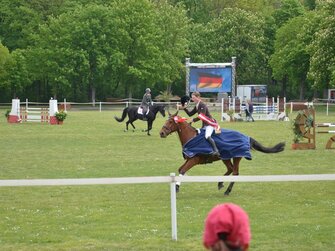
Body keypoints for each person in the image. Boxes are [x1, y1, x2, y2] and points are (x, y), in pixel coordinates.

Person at [179, 92, 220, 157]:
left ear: (198, 97)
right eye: (192, 98)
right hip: (205, 125)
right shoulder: (197, 105)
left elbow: (202, 116)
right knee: (199, 136)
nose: (192, 99)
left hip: (210, 124)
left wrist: (193, 120)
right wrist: (184, 108)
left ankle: (216, 151)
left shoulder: (202, 104)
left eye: (194, 98)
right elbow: (190, 114)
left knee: (207, 136)